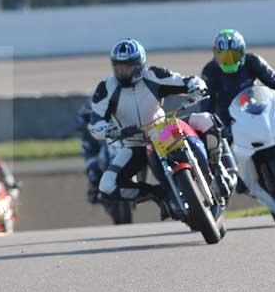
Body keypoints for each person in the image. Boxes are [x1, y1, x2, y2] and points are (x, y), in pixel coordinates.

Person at [88, 39, 222, 216]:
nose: (122, 72)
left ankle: (215, 170)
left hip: (163, 130)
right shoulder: (105, 89)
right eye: (118, 67)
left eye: (127, 67)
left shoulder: (154, 75)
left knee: (206, 120)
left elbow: (187, 81)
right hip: (134, 144)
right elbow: (94, 123)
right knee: (106, 185)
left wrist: (196, 87)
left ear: (139, 65)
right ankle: (158, 194)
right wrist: (110, 130)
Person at [202, 29, 275, 127]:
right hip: (226, 122)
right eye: (224, 57)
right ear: (215, 54)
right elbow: (206, 105)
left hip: (253, 114)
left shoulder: (253, 61)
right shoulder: (210, 71)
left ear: (242, 52)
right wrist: (216, 126)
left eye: (234, 55)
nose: (229, 60)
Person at [75, 99, 103, 204]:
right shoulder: (90, 104)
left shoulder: (118, 100)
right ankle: (94, 189)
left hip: (113, 142)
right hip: (94, 147)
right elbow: (78, 121)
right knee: (93, 169)